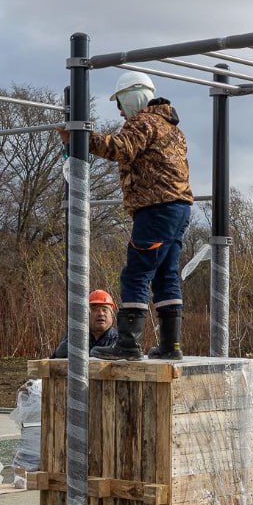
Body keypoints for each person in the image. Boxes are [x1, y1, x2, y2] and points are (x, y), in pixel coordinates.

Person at [59, 72, 193, 361]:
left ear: (132, 96)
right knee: (166, 274)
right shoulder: (173, 129)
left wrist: (80, 138)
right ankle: (171, 346)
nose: (120, 111)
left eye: (120, 103)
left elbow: (119, 148)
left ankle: (128, 345)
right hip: (179, 208)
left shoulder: (143, 122)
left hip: (155, 208)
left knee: (136, 273)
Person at [50, 289, 118, 358]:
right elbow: (55, 358)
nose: (101, 314)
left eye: (105, 310)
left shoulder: (118, 341)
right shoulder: (75, 337)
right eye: (95, 310)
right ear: (85, 315)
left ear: (112, 315)